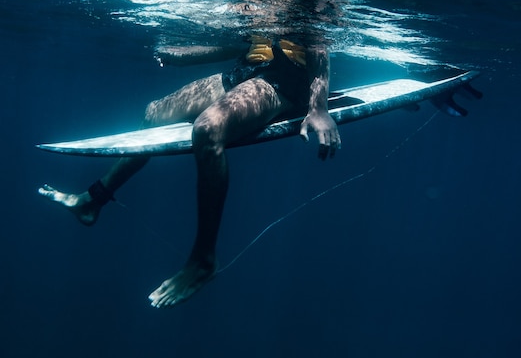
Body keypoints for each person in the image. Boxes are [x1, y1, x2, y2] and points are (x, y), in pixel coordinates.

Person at [38, 36, 342, 308]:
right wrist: (186, 54)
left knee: (208, 130)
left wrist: (318, 108)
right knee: (154, 112)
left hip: (286, 82)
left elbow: (319, 41)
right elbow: (240, 43)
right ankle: (94, 200)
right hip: (248, 72)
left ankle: (203, 260)